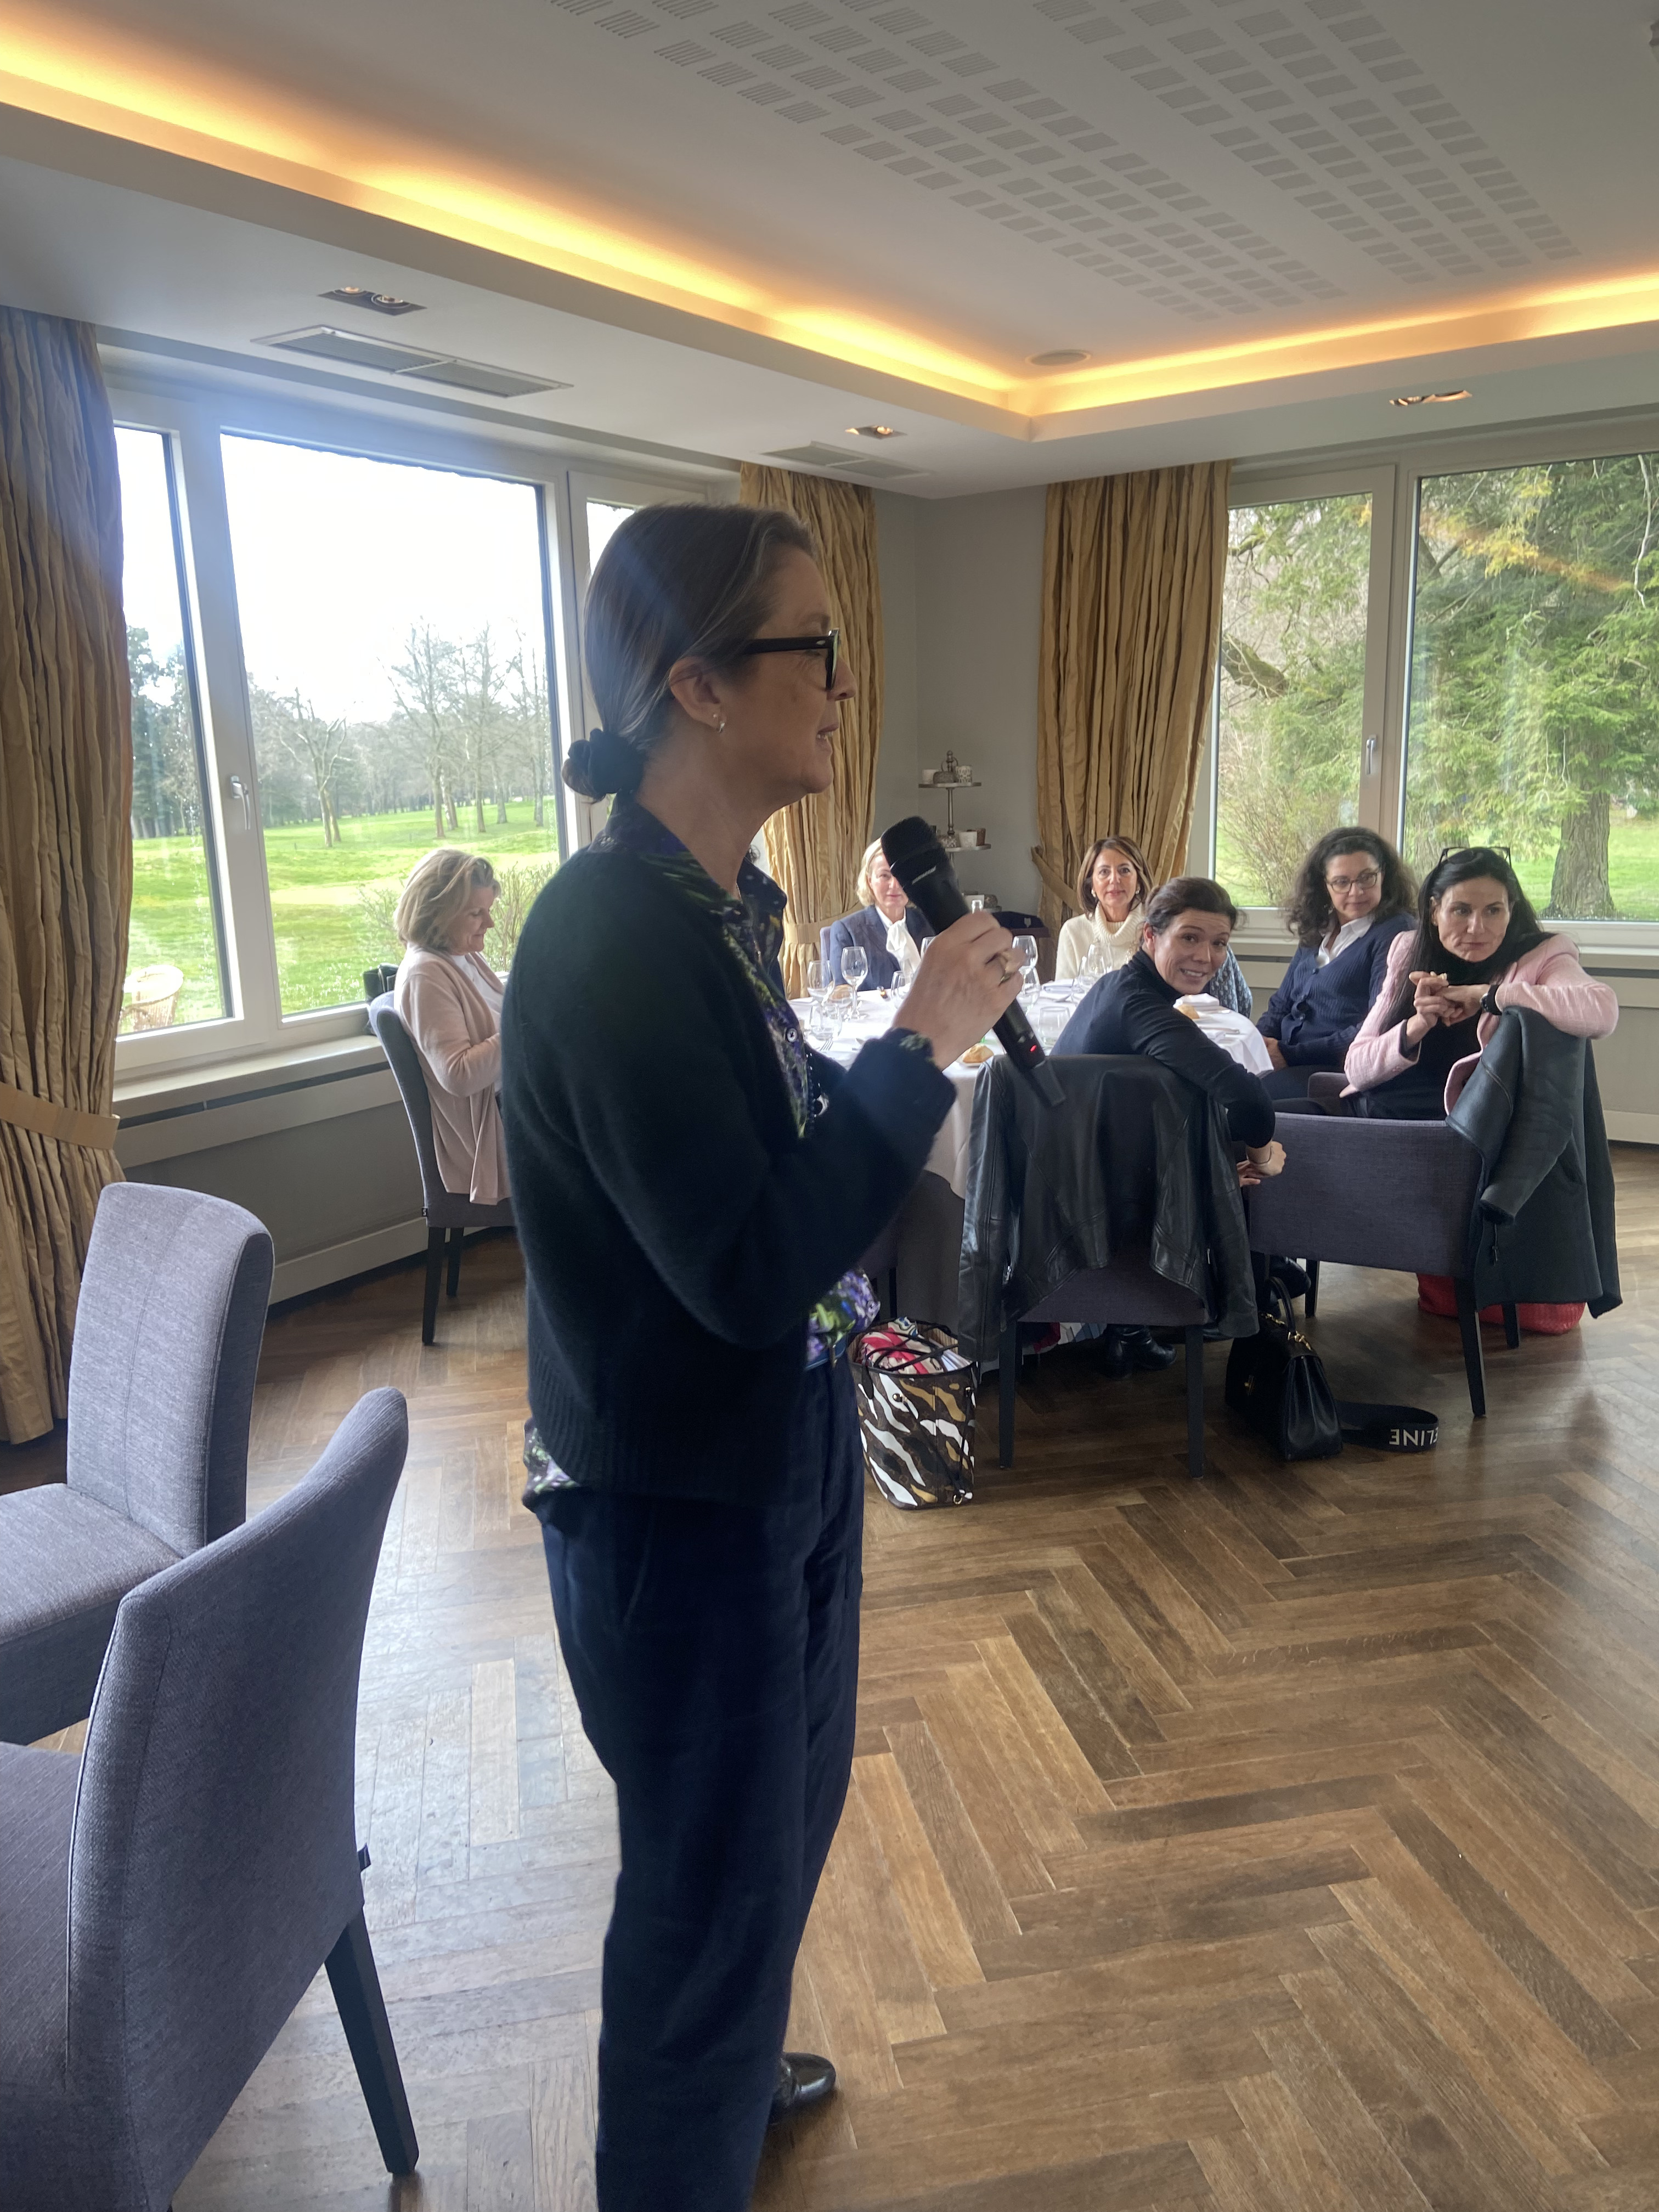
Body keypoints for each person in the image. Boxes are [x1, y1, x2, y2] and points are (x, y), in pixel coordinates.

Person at [498, 503, 1019, 2212]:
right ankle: (683, 2143)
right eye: (819, 648)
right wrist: (918, 1055)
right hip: (674, 1501)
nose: (846, 686)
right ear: (699, 686)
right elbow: (742, 1270)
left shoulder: (720, 904)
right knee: (702, 1898)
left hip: (778, 1452)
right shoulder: (608, 937)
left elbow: (772, 1186)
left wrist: (885, 1071)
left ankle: (722, 2085)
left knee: (773, 1839)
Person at [1054, 875, 1284, 1374]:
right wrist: (1262, 1157)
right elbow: (1249, 1098)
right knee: (1256, 1172)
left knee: (1225, 1156)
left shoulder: (1118, 987)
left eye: (1219, 943)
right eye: (1190, 938)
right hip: (1088, 1200)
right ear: (1150, 936)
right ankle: (1232, 1313)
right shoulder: (1141, 1008)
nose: (1206, 956)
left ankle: (1132, 1327)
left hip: (1078, 1172)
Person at [1344, 845, 1617, 1118]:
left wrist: (1489, 996)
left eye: (1493, 911)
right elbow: (1356, 1069)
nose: (1477, 928)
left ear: (1511, 911)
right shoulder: (1408, 949)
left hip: (1458, 1126)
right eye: (1461, 911)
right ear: (1435, 911)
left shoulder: (1540, 955)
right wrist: (1418, 1025)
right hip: (1375, 1111)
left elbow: (1602, 1011)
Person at [1257, 828, 1415, 1098]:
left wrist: (1289, 1055)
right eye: (1342, 882)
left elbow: (1379, 1026)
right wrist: (1256, 1044)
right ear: (1325, 886)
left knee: (1249, 1098)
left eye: (1367, 878)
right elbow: (1281, 1004)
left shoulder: (1397, 932)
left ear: (1384, 876)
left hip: (1337, 1069)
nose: (1357, 891)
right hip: (1289, 1060)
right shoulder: (1318, 928)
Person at [392, 848, 508, 1204]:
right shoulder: (425, 975)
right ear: (437, 915)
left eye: (488, 911)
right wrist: (527, 1026)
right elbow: (459, 1076)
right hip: (495, 1129)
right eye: (476, 914)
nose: (490, 924)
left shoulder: (462, 955)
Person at [1056, 833, 1254, 1013]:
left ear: (1138, 881)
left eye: (1124, 871)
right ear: (1091, 884)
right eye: (1104, 872)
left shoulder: (1164, 926)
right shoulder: (1073, 931)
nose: (1114, 880)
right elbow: (1062, 998)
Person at [823, 837, 931, 990]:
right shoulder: (847, 931)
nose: (895, 885)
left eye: (901, 875)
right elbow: (842, 994)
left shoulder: (928, 921)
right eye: (885, 876)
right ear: (870, 882)